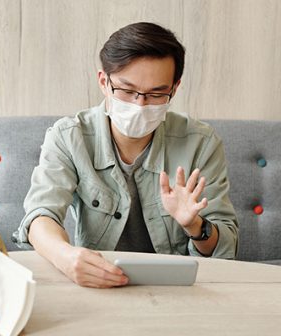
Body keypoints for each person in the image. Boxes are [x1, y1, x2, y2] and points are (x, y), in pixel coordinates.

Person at [13, 22, 238, 288]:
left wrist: (195, 227)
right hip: (98, 282)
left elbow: (226, 250)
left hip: (174, 289)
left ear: (174, 89)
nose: (139, 105)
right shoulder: (68, 136)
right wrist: (66, 257)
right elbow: (41, 215)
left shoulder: (201, 142)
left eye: (156, 94)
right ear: (103, 82)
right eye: (127, 90)